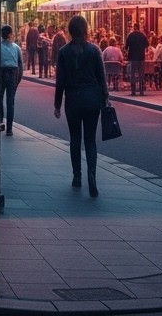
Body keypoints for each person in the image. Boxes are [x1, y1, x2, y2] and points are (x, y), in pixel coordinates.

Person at [54, 15, 107, 197]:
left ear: (70, 30)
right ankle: (92, 175)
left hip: (73, 99)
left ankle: (77, 176)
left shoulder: (63, 52)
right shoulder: (94, 50)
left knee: (75, 138)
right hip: (92, 98)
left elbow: (60, 80)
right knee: (90, 140)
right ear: (85, 30)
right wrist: (105, 98)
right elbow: (102, 77)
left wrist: (57, 104)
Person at [0, 25, 22, 136]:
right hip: (13, 73)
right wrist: (18, 80)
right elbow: (20, 66)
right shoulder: (16, 48)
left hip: (1, 73)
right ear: (9, 34)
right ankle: (9, 129)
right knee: (10, 102)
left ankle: (0, 123)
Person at [125, 24, 149, 95]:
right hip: (141, 57)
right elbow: (147, 45)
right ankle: (141, 90)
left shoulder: (130, 35)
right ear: (139, 28)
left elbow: (126, 47)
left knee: (132, 74)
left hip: (132, 57)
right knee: (141, 74)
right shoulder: (143, 36)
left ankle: (133, 91)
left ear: (133, 27)